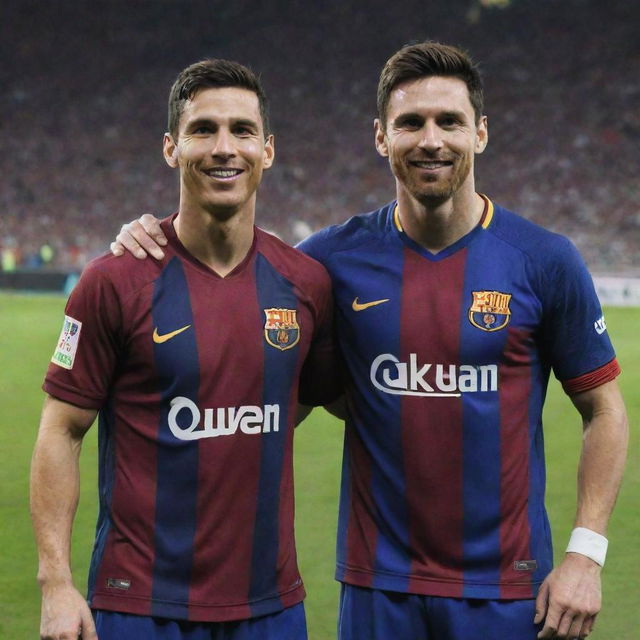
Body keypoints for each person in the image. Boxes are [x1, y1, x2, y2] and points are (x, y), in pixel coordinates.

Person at [110, 42, 628, 640]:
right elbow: (265, 388)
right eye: (410, 123)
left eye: (449, 121)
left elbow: (604, 409)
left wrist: (586, 556)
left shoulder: (544, 260)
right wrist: (155, 236)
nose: (430, 139)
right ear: (381, 138)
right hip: (378, 587)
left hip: (509, 589)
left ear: (480, 133)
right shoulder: (329, 263)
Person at [30, 59, 339, 640]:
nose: (224, 147)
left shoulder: (306, 283)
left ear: (267, 150)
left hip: (270, 606)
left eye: (242, 131)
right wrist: (56, 583)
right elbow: (61, 429)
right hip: (139, 604)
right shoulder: (114, 281)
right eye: (203, 130)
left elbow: (323, 398)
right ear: (171, 148)